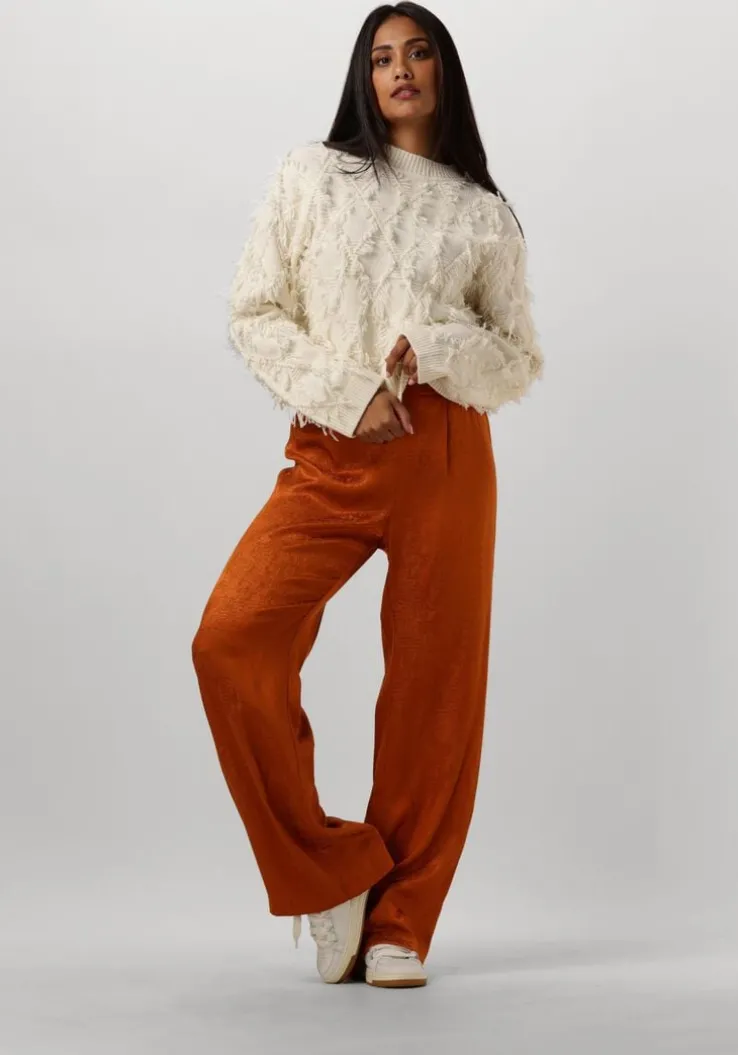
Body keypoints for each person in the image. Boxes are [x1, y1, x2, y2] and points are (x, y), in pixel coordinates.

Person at [191, 1, 543, 990]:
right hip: (331, 447)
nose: (400, 69)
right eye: (382, 56)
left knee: (435, 690)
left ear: (443, 71)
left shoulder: (484, 214)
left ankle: (404, 920)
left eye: (418, 52)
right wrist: (349, 391)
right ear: (363, 74)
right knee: (231, 639)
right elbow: (255, 312)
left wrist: (433, 347)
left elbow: (516, 357)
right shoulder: (312, 175)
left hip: (445, 453)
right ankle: (331, 872)